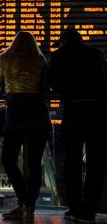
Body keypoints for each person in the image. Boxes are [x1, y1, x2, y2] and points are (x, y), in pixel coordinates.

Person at [48, 29, 107, 223]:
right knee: (96, 163)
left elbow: (53, 85)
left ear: (62, 41)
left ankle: (74, 206)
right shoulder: (96, 54)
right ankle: (90, 209)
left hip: (74, 111)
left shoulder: (58, 56)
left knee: (72, 162)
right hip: (99, 112)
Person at [0, 31, 51, 221]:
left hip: (16, 115)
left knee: (9, 159)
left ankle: (22, 200)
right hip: (38, 115)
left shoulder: (5, 58)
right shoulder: (40, 60)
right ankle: (29, 206)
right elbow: (45, 88)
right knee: (34, 164)